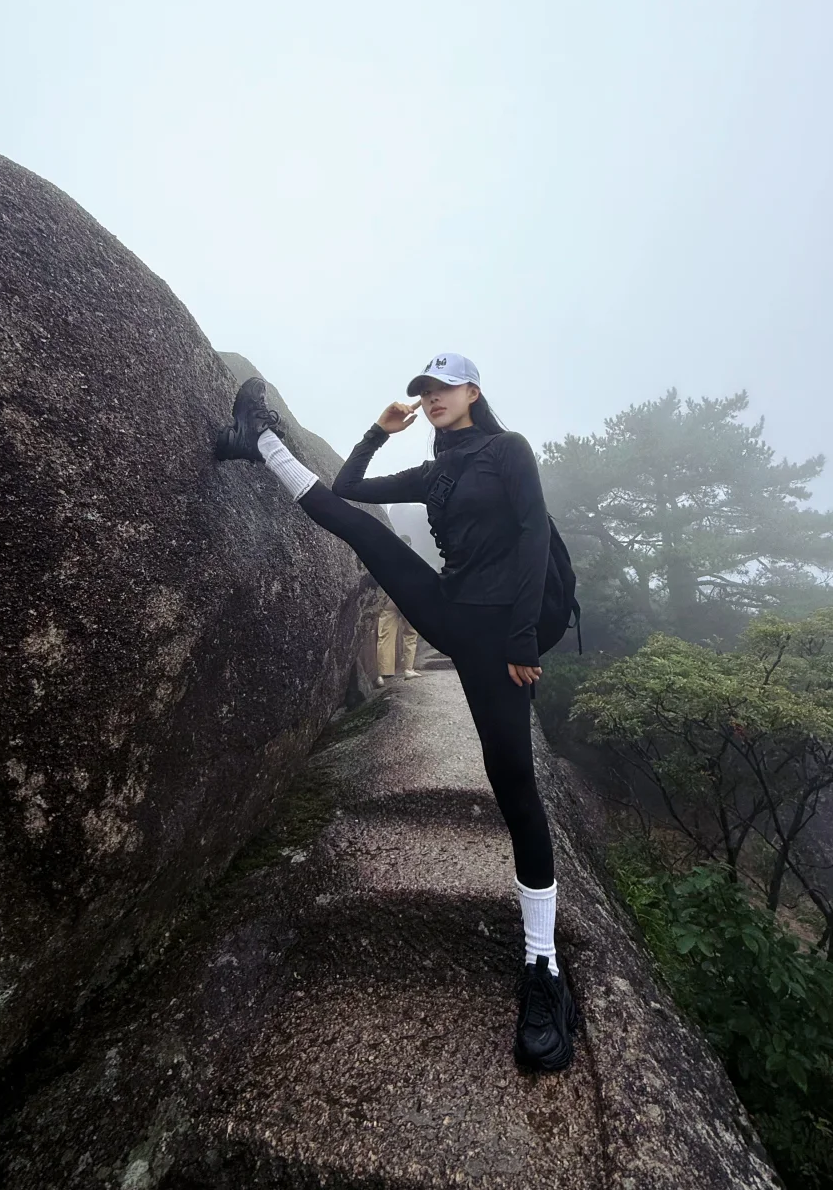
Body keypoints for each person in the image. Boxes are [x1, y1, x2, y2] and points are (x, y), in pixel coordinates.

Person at [214, 352, 577, 1073]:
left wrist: (522, 637)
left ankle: (544, 967)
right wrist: (379, 431)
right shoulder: (434, 472)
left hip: (503, 635)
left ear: (474, 391)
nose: (433, 397)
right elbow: (348, 487)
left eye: (444, 387)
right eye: (425, 390)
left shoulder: (508, 451)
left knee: (515, 789)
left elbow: (534, 534)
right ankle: (259, 438)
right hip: (450, 611)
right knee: (355, 524)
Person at [375, 539, 421, 687]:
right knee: (410, 634)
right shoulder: (412, 558)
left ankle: (382, 675)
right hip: (409, 598)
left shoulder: (386, 557)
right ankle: (408, 669)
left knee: (385, 636)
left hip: (389, 598)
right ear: (409, 545)